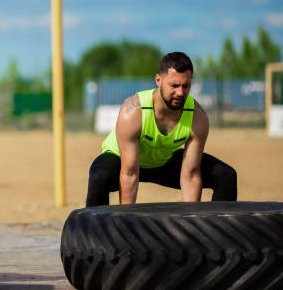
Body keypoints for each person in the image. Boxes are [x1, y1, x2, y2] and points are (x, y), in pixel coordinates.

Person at [86, 52, 237, 206]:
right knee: (99, 177)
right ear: (158, 80)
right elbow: (129, 173)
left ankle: (218, 230)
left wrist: (191, 221)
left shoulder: (198, 117)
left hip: (162, 159)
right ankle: (94, 230)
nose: (180, 92)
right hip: (122, 160)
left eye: (186, 86)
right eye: (174, 85)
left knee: (225, 175)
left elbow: (191, 174)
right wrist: (126, 222)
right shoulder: (133, 111)